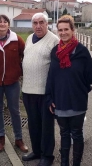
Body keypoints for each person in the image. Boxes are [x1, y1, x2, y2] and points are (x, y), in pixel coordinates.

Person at [45, 15, 92, 166]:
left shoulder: (82, 52)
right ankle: (64, 163)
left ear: (72, 30)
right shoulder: (55, 52)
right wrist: (49, 98)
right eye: (60, 30)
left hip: (77, 101)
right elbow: (51, 77)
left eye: (66, 29)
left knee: (77, 134)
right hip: (60, 101)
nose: (63, 32)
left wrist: (82, 88)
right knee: (64, 134)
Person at [22, 12, 59, 166]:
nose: (38, 26)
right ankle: (37, 151)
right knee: (33, 123)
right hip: (27, 90)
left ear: (47, 23)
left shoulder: (54, 41)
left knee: (46, 126)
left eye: (41, 22)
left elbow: (57, 70)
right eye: (35, 23)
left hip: (44, 92)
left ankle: (47, 156)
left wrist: (54, 95)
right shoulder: (29, 38)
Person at [0, 14, 28, 153]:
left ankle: (19, 139)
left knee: (15, 110)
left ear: (8, 25)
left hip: (12, 82)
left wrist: (20, 71)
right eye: (0, 22)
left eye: (5, 22)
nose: (2, 24)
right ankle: (1, 138)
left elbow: (27, 54)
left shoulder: (17, 39)